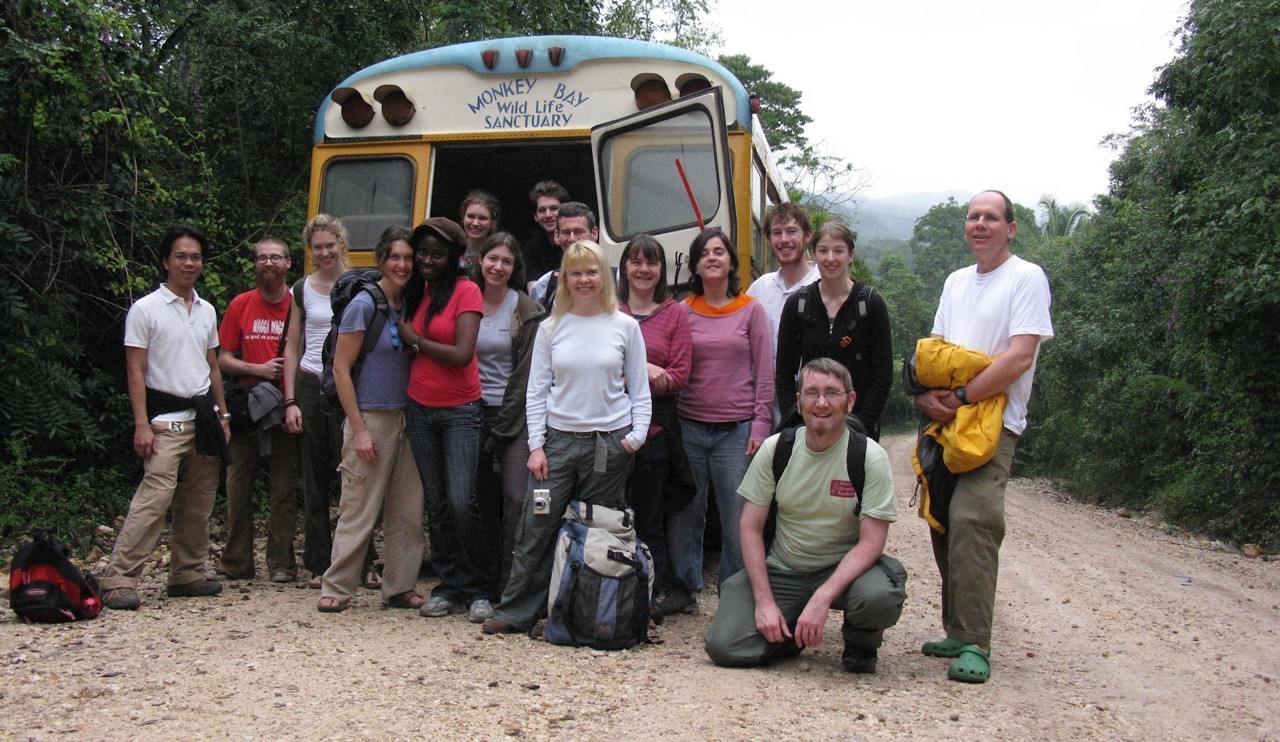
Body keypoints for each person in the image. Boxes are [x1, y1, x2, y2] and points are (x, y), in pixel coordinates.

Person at [913, 189, 1054, 683]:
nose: (980, 224)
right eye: (973, 217)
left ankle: (976, 641)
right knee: (943, 520)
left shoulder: (1026, 278)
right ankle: (957, 626)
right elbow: (936, 352)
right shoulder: (955, 282)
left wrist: (963, 397)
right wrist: (926, 397)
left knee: (975, 519)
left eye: (991, 217)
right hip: (948, 420)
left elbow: (1019, 357)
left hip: (993, 424)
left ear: (1010, 228)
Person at [480, 240, 652, 636]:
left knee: (599, 531)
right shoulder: (551, 327)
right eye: (576, 273)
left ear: (604, 276)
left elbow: (639, 390)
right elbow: (536, 391)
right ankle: (517, 612)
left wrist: (635, 438)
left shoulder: (624, 326)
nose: (584, 280)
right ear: (566, 279)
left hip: (609, 444)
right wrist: (536, 446)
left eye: (591, 271)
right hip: (557, 443)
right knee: (536, 528)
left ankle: (585, 613)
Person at [704, 359, 906, 673]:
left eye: (832, 393)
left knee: (878, 597)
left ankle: (861, 642)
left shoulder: (869, 456)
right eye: (811, 393)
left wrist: (823, 597)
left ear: (850, 401)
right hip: (784, 569)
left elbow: (872, 542)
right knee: (724, 647)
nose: (821, 403)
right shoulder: (775, 450)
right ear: (798, 402)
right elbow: (750, 528)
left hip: (843, 570)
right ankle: (790, 635)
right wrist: (765, 602)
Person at [99, 225, 229, 610]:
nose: (190, 264)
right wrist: (141, 424)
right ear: (165, 260)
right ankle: (120, 578)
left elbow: (214, 366)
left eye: (196, 257)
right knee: (153, 499)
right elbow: (135, 371)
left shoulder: (206, 309)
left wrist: (223, 413)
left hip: (204, 416)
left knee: (199, 500)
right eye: (182, 256)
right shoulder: (146, 309)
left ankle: (187, 573)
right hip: (164, 418)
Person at [317, 226, 425, 613]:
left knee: (407, 509)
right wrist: (359, 429)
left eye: (408, 258)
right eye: (395, 257)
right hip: (370, 416)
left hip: (406, 416)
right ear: (381, 259)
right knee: (359, 506)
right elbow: (341, 369)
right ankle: (338, 585)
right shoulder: (364, 305)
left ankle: (399, 586)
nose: (402, 264)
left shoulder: (409, 304)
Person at [667, 228, 774, 615]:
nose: (712, 258)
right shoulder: (681, 310)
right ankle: (684, 588)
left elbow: (765, 372)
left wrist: (761, 426)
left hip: (736, 431)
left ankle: (734, 595)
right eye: (704, 253)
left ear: (731, 262)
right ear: (695, 265)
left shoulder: (751, 310)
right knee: (686, 513)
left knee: (736, 520)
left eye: (720, 252)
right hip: (690, 426)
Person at [397, 217, 495, 623]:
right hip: (419, 407)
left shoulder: (467, 291)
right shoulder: (416, 291)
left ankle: (480, 589)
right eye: (422, 253)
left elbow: (461, 354)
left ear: (454, 257)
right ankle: (449, 584)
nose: (427, 260)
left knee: (461, 500)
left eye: (437, 254)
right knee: (436, 504)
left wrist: (415, 340)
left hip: (460, 410)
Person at [282, 214, 380, 590]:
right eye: (317, 247)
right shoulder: (302, 289)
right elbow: (293, 345)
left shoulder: (360, 285)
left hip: (349, 384)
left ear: (342, 244)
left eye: (330, 245)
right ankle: (320, 563)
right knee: (316, 477)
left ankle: (364, 561)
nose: (324, 252)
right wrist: (289, 399)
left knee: (356, 476)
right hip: (311, 383)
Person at [617, 235, 693, 616]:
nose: (643, 269)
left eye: (651, 263)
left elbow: (678, 377)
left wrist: (630, 372)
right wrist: (645, 369)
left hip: (656, 432)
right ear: (624, 267)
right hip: (610, 428)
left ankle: (654, 588)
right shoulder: (609, 309)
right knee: (612, 512)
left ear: (662, 270)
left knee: (650, 516)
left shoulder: (675, 313)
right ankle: (612, 584)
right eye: (635, 261)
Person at [216, 237, 299, 583]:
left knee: (284, 489)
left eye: (276, 257)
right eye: (262, 258)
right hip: (247, 408)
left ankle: (281, 563)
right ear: (254, 264)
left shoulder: (299, 304)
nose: (269, 263)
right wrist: (258, 369)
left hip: (285, 407)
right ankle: (237, 562)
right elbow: (222, 358)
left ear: (288, 263)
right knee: (237, 486)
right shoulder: (240, 304)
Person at [470, 232, 545, 590]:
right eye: (492, 259)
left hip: (514, 416)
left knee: (516, 498)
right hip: (469, 411)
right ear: (480, 261)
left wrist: (502, 428)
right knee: (477, 497)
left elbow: (524, 377)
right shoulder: (464, 299)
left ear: (515, 268)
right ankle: (481, 580)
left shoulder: (526, 310)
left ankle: (510, 582)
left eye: (506, 262)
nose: (498, 267)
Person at [775, 222, 893, 439]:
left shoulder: (870, 305)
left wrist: (863, 425)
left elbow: (882, 375)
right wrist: (796, 418)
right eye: (823, 251)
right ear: (814, 254)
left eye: (838, 251)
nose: (831, 258)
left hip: (858, 429)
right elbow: (784, 371)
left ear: (851, 255)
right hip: (808, 428)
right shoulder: (797, 305)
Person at [746, 203, 820, 355]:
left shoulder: (823, 285)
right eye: (777, 233)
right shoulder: (758, 289)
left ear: (808, 236)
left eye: (792, 231)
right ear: (768, 240)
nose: (784, 239)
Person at [528, 202, 598, 313]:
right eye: (566, 232)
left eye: (578, 232)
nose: (572, 238)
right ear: (556, 236)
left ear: (594, 233)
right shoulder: (546, 285)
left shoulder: (615, 280)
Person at [522, 181, 569, 288]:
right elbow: (534, 292)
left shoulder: (576, 241)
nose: (548, 215)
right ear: (535, 216)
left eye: (554, 209)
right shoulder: (532, 248)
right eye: (542, 210)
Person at [460, 190, 500, 271]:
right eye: (471, 216)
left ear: (493, 223)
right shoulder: (453, 249)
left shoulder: (498, 254)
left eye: (482, 218)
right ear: (463, 217)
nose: (475, 223)